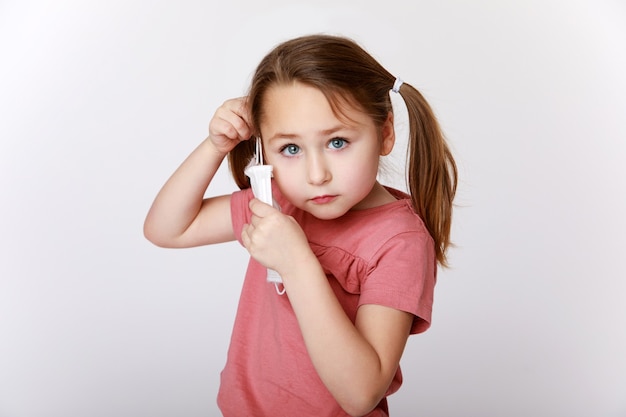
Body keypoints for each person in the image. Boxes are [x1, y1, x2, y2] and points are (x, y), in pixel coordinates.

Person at [144, 34, 457, 417]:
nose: (316, 175)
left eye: (338, 142)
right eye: (290, 149)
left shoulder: (399, 242)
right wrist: (214, 146)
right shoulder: (278, 202)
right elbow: (167, 229)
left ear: (385, 133)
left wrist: (297, 263)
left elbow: (361, 394)